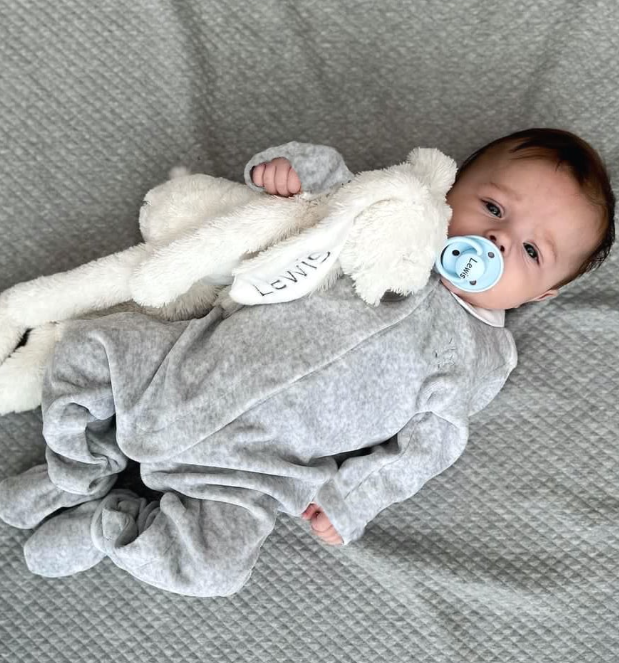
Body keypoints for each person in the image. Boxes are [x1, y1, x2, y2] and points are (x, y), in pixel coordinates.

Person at [0, 128, 614, 597]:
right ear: (450, 189)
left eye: (531, 250)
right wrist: (290, 169)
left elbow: (431, 445)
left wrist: (355, 499)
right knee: (88, 349)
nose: (498, 242)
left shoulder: (481, 355)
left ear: (541, 294)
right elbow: (333, 193)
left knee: (215, 567)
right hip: (189, 364)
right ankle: (77, 470)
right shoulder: (394, 221)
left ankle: (107, 526)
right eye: (494, 209)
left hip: (260, 465)